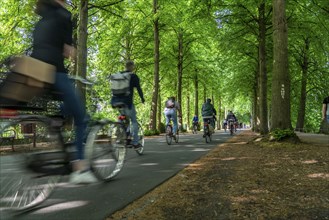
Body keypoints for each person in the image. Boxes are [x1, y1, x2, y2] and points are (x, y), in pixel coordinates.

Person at [31, 0, 97, 184]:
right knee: (81, 116)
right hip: (54, 71)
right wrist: (72, 50)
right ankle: (80, 168)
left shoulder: (41, 20)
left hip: (36, 74)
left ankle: (55, 122)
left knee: (63, 108)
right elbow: (69, 52)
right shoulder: (64, 15)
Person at [110, 61, 145, 148]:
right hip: (127, 102)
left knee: (122, 118)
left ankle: (119, 138)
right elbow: (139, 89)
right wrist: (142, 99)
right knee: (133, 120)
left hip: (116, 101)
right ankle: (135, 142)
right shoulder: (133, 76)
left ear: (125, 66)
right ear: (132, 66)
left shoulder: (118, 75)